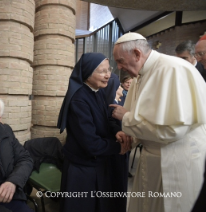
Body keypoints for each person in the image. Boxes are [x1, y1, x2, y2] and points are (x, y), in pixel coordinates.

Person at [110, 32, 206, 212]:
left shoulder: (174, 70)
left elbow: (172, 130)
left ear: (137, 54)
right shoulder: (141, 75)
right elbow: (144, 117)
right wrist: (130, 136)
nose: (119, 67)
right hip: (151, 157)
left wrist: (126, 119)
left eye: (121, 61)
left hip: (175, 159)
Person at [57, 52, 131, 212]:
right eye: (102, 71)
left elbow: (107, 117)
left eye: (108, 70)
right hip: (83, 169)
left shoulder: (99, 91)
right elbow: (90, 144)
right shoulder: (79, 100)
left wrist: (117, 131)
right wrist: (118, 148)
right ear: (87, 72)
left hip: (97, 163)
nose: (108, 75)